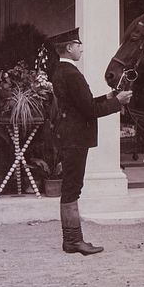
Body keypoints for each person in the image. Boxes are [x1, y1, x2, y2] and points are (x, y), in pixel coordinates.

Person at [47, 27, 133, 255]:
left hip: (70, 135)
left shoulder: (61, 70)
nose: (81, 48)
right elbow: (89, 110)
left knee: (72, 186)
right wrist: (119, 103)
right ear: (69, 47)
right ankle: (73, 241)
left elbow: (82, 103)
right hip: (75, 137)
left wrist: (110, 96)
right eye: (78, 44)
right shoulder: (72, 73)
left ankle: (72, 240)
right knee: (73, 187)